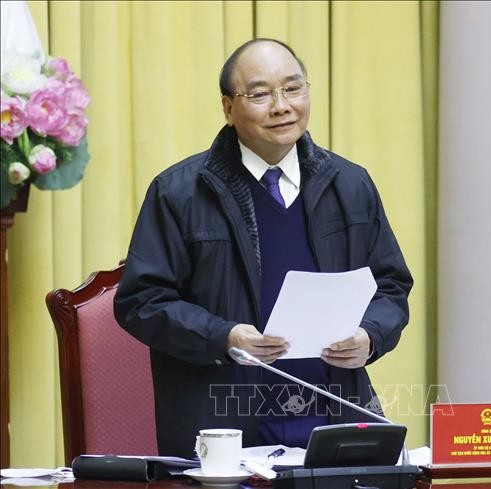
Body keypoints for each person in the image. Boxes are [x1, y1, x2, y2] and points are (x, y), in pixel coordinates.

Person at [114, 38, 412, 458]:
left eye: (293, 88)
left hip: (333, 418)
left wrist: (371, 335)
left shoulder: (350, 184)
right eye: (259, 94)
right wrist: (224, 336)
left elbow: (391, 286)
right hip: (223, 423)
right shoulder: (179, 192)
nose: (281, 106)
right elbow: (141, 302)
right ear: (228, 107)